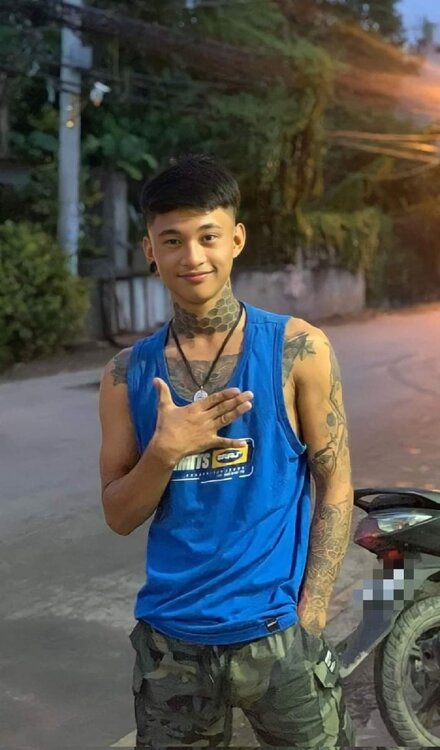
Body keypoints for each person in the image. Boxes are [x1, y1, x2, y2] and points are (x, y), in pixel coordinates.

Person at [98, 154, 356, 748]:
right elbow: (119, 515)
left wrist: (313, 612)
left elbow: (335, 482)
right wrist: (164, 452)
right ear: (149, 251)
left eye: (208, 236)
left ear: (236, 239)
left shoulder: (297, 349)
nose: (193, 256)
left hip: (278, 637)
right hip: (172, 647)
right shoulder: (124, 375)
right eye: (173, 240)